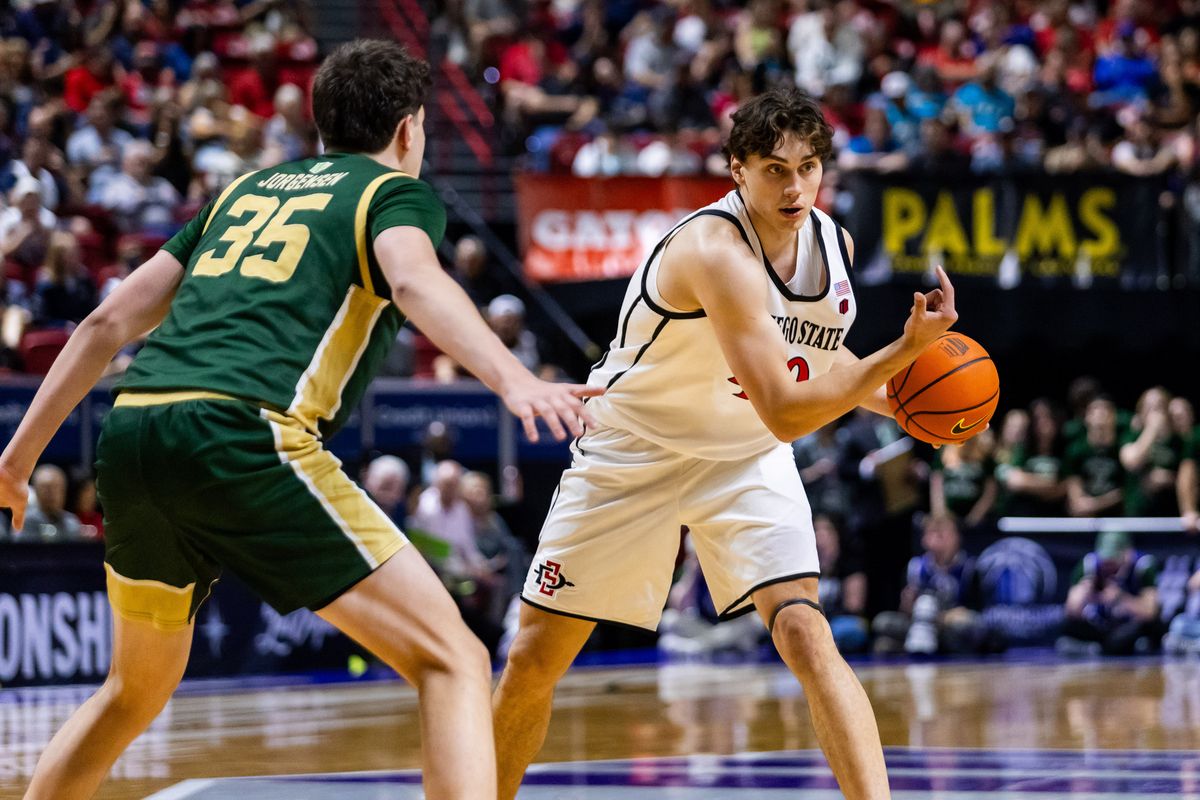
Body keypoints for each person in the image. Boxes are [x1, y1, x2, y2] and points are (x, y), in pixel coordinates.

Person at [0, 40, 596, 800]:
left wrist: (16, 463)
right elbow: (414, 280)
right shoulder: (390, 192)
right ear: (410, 130)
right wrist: (512, 377)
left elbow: (104, 325)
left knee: (131, 691)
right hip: (244, 432)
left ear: (320, 122)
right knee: (454, 659)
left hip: (136, 429)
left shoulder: (242, 192)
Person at [493, 86, 962, 800]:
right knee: (534, 658)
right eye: (775, 168)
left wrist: (903, 402)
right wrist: (901, 354)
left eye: (808, 167)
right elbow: (786, 410)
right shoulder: (714, 250)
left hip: (743, 454)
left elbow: (816, 364)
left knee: (806, 630)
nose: (795, 184)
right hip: (637, 448)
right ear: (736, 169)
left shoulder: (832, 242)